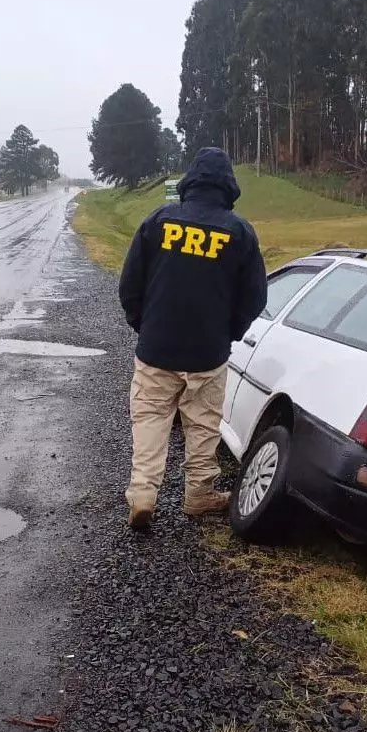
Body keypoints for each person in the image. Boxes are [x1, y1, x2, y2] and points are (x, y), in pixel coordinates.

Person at [118, 147, 268, 531]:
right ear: (228, 187)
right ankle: (199, 494)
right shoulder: (240, 232)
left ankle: (142, 495)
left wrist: (144, 325)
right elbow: (255, 298)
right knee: (203, 424)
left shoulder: (158, 221)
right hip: (208, 354)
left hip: (156, 349)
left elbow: (130, 285)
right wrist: (228, 333)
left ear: (190, 182)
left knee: (150, 419)